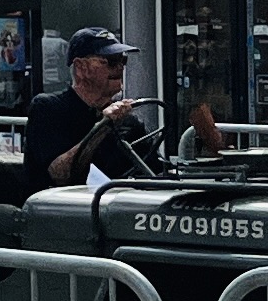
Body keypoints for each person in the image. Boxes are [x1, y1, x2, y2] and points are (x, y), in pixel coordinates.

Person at [20, 26, 183, 194]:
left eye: (123, 60)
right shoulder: (48, 108)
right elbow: (60, 175)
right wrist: (103, 127)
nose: (120, 68)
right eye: (111, 61)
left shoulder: (128, 122)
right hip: (58, 212)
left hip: (115, 211)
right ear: (81, 67)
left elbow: (154, 172)